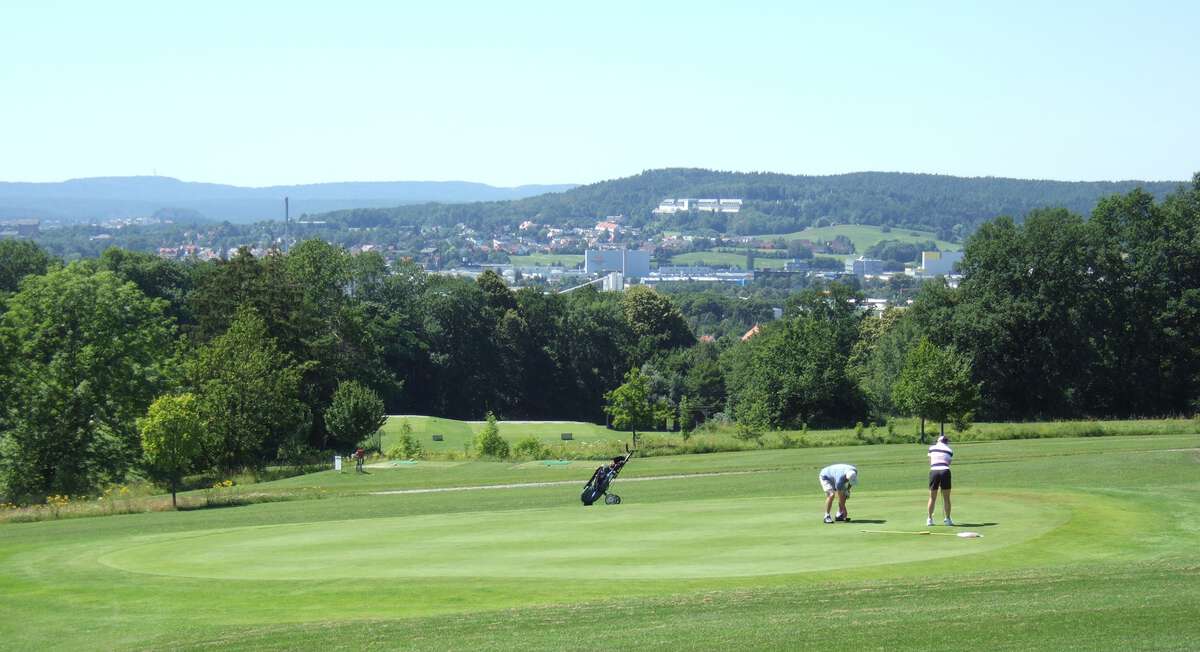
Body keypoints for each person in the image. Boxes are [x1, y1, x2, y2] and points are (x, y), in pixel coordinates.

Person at [927, 434, 953, 526]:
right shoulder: (949, 450)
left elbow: (930, 462)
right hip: (945, 470)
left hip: (933, 471)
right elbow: (949, 463)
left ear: (938, 441)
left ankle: (929, 519)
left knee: (932, 497)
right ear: (946, 442)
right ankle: (948, 519)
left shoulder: (931, 448)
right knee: (946, 497)